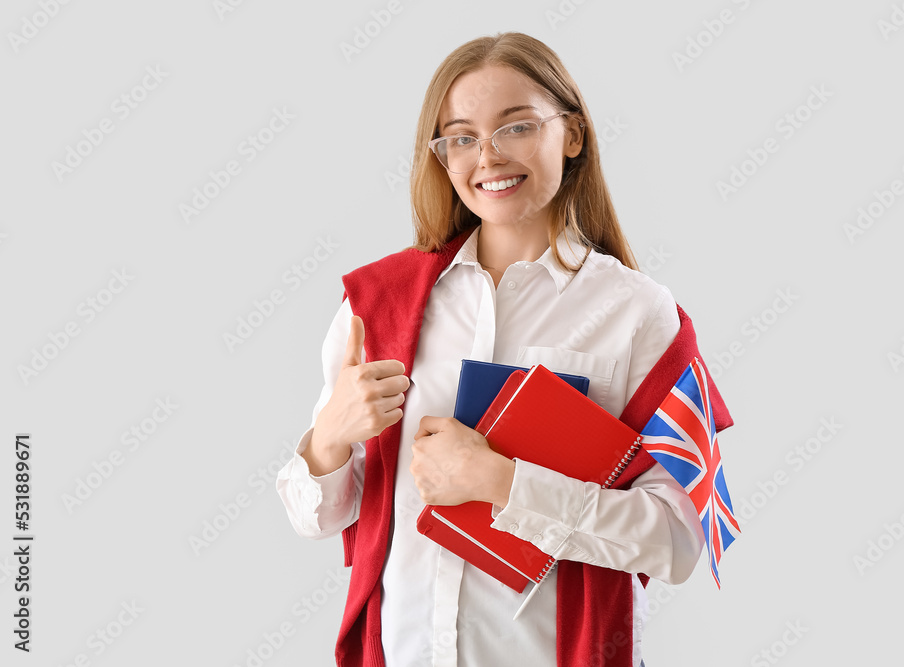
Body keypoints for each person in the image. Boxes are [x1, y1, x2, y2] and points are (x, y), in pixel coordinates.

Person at [275, 31, 733, 667]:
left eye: (515, 127)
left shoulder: (639, 316)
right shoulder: (377, 307)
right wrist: (328, 439)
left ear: (571, 134)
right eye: (461, 137)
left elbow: (682, 542)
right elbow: (315, 517)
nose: (486, 156)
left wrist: (502, 482)